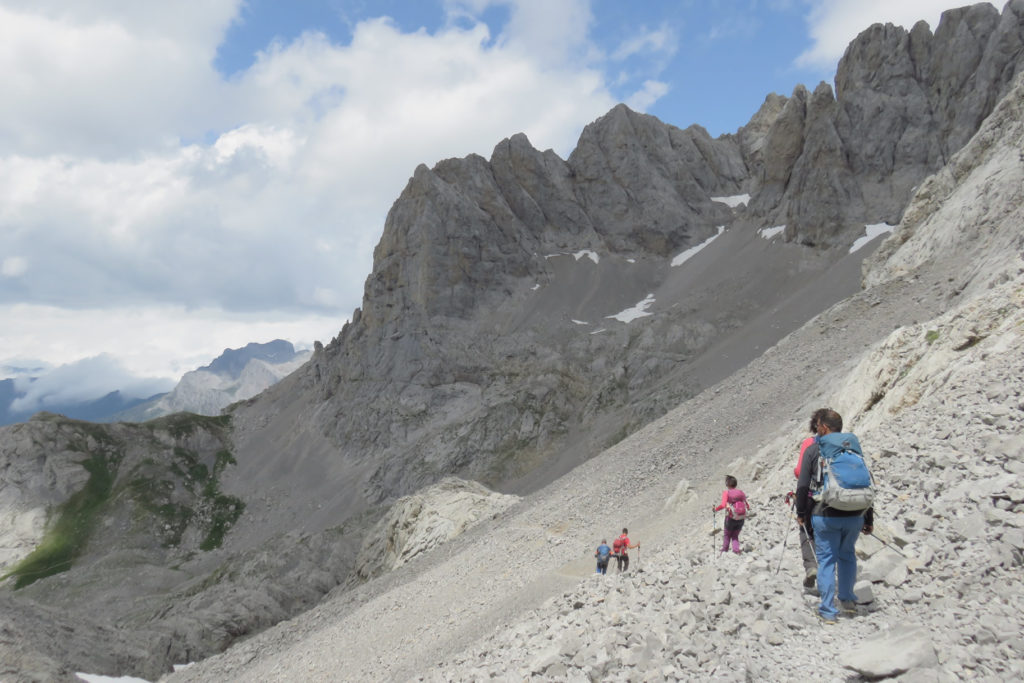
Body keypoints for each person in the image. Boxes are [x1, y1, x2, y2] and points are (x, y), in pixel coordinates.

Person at [796, 409, 874, 623]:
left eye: (819, 425)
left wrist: (801, 513)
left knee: (827, 559)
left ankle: (828, 611)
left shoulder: (814, 450)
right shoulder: (853, 449)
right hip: (856, 513)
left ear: (824, 427)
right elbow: (864, 481)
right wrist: (868, 518)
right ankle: (848, 603)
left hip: (826, 513)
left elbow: (803, 485)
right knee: (847, 556)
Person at [793, 408, 829, 588]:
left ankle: (811, 566)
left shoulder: (809, 443)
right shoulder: (843, 443)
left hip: (812, 497)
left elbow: (800, 473)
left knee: (806, 531)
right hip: (837, 497)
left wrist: (799, 510)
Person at [713, 475, 749, 554]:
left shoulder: (727, 493)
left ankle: (724, 550)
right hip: (741, 517)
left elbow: (723, 505)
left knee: (727, 534)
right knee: (735, 535)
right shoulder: (741, 493)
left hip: (731, 517)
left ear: (727, 484)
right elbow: (747, 505)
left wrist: (715, 509)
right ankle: (736, 550)